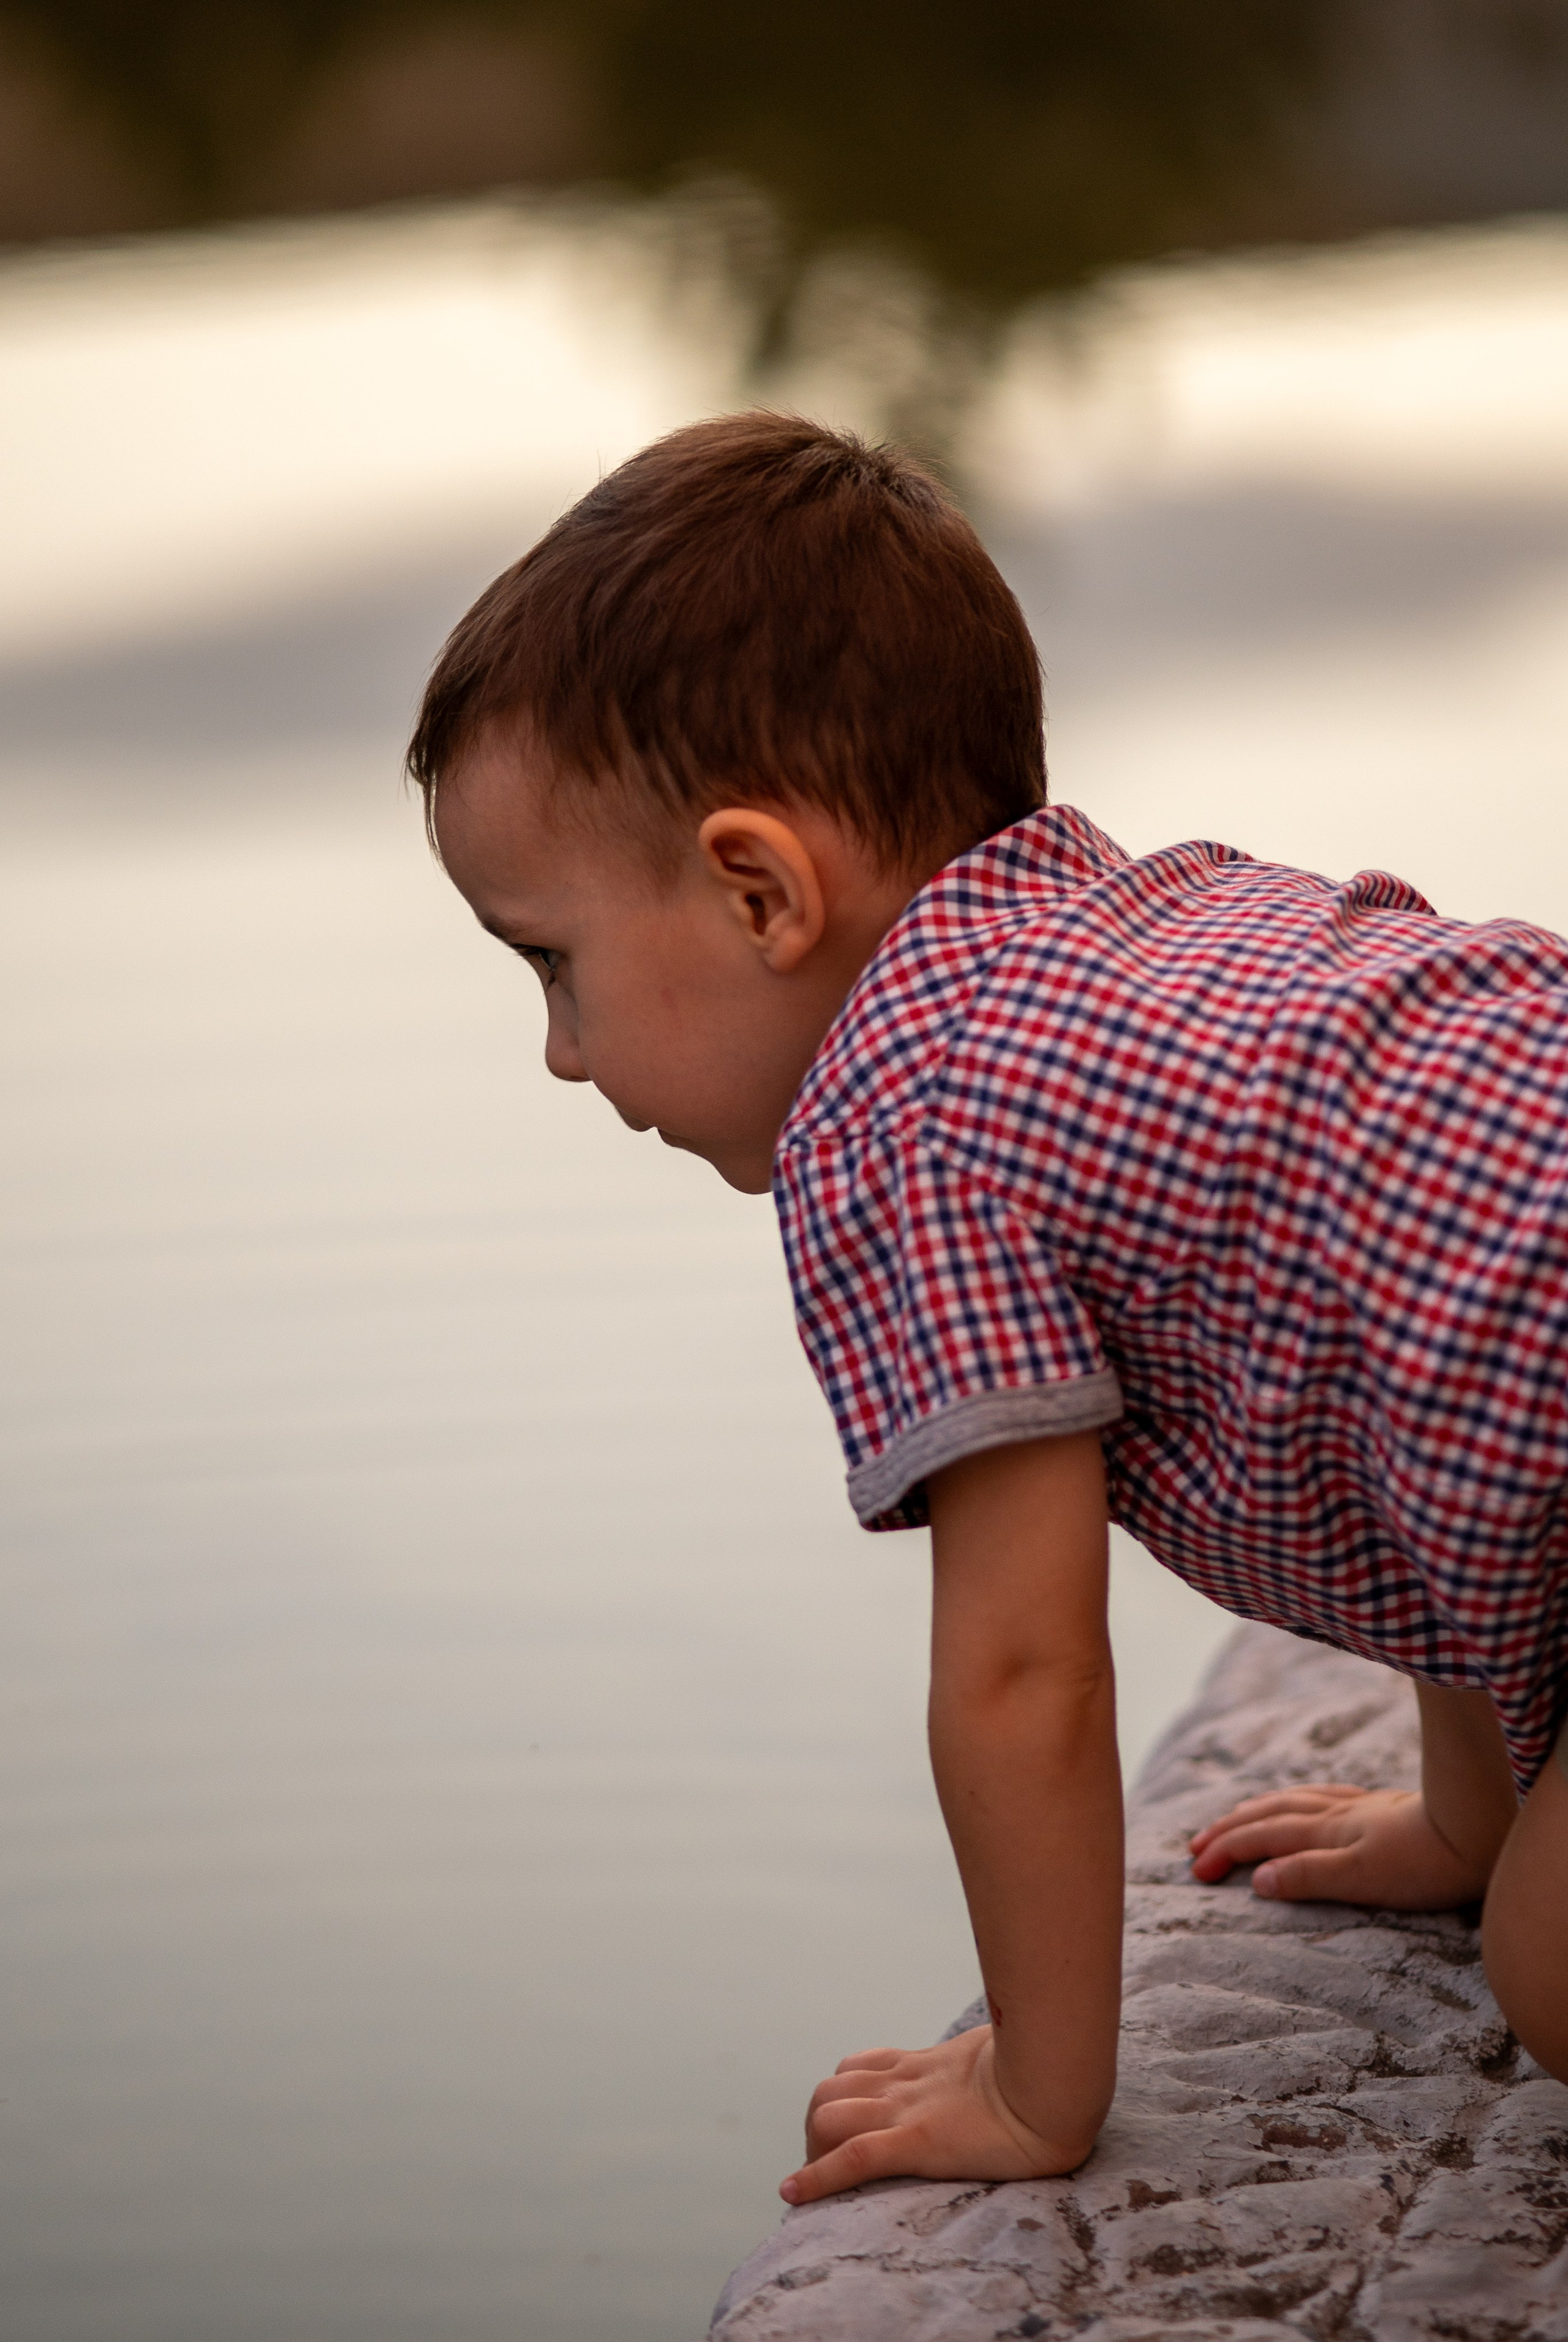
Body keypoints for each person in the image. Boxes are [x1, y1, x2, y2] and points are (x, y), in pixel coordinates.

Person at [407, 410, 1568, 2205]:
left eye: (552, 963)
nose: (561, 1056)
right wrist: (1468, 1821)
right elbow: (1410, 1332)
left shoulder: (911, 1126)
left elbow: (1026, 1674)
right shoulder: (1139, 929)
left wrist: (1040, 2094)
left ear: (758, 889)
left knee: (1554, 1970)